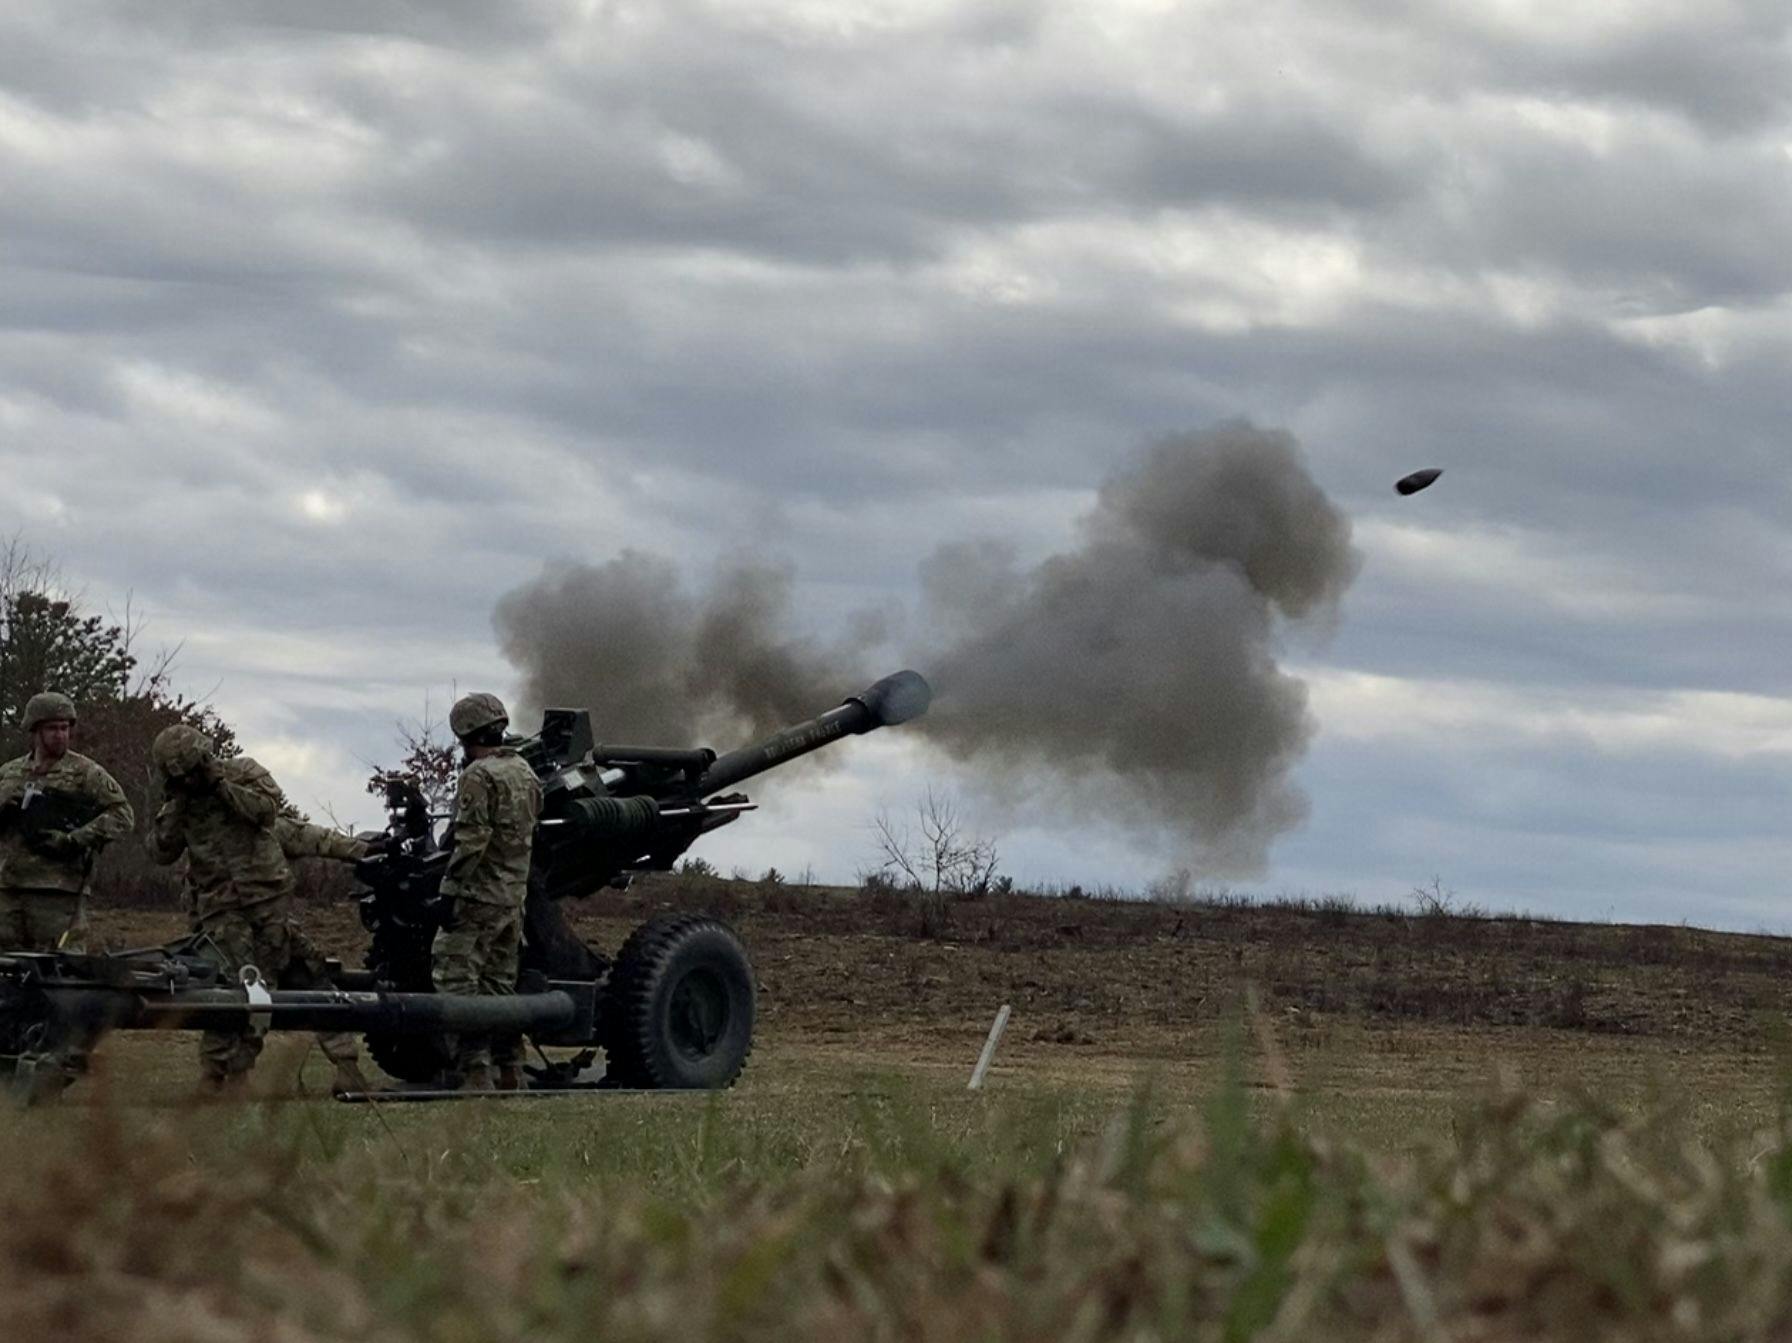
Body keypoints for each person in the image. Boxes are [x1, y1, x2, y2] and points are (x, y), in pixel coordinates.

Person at [147, 724, 370, 1096]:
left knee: (308, 974)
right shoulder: (182, 803)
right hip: (222, 909)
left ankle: (344, 1066)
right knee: (241, 985)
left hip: (268, 901)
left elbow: (266, 813)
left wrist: (221, 786)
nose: (189, 778)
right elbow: (161, 852)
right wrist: (176, 804)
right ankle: (224, 1075)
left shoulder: (244, 773)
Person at [0, 691, 134, 1090]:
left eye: (65, 728)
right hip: (8, 889)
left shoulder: (86, 773)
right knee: (8, 981)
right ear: (34, 731)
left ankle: (55, 1068)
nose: (60, 736)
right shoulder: (8, 774)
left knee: (60, 983)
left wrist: (76, 838)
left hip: (59, 893)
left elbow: (122, 816)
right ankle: (10, 1062)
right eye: (52, 728)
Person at [433, 692, 541, 1091]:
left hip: (477, 899)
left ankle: (476, 1071)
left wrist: (449, 892)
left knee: (456, 980)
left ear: (464, 734)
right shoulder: (526, 772)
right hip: (512, 901)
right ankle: (511, 1068)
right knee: (499, 986)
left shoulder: (478, 776)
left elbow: (472, 842)